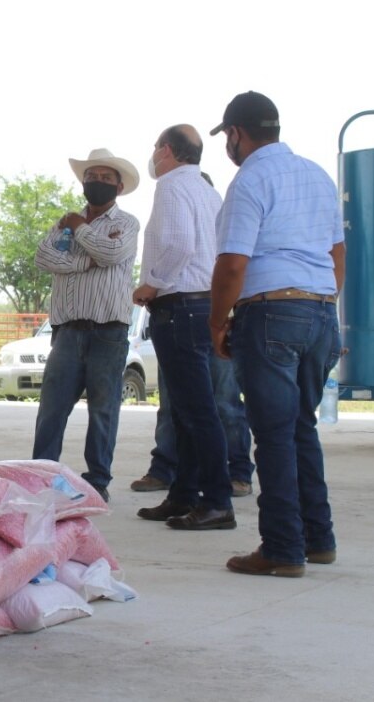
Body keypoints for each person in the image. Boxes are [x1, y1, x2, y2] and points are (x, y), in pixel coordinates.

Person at [208, 91, 344, 577]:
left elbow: (233, 263)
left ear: (237, 134)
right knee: (301, 426)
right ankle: (318, 538)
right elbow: (337, 253)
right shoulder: (316, 175)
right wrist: (319, 303)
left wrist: (218, 321)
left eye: (227, 136)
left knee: (274, 434)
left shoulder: (250, 180)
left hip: (269, 313)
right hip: (320, 311)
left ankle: (283, 547)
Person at [132, 125, 235, 530]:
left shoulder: (171, 186)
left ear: (169, 151)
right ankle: (184, 494)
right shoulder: (209, 192)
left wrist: (150, 284)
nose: (154, 154)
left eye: (156, 147)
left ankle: (217, 500)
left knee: (197, 411)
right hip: (204, 304)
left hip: (179, 305)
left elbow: (179, 243)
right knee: (193, 408)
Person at [31, 149, 140, 501]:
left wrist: (79, 231)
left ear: (119, 187)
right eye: (92, 176)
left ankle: (97, 482)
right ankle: (42, 475)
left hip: (109, 330)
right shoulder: (64, 222)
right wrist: (84, 262)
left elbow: (111, 254)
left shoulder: (126, 224)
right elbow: (44, 257)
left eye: (106, 178)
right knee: (52, 408)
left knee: (103, 409)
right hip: (67, 331)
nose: (97, 182)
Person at [131, 359, 254, 496]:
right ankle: (163, 469)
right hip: (174, 338)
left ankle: (239, 473)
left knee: (225, 403)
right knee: (169, 405)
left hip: (218, 340)